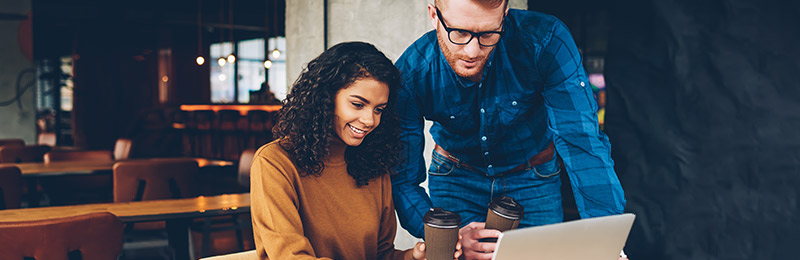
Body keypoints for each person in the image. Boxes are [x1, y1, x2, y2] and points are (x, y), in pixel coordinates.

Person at [391, 0, 627, 259]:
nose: (472, 51)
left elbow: (581, 141)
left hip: (533, 179)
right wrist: (451, 237)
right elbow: (402, 179)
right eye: (459, 32)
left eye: (488, 34)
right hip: (455, 177)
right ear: (434, 16)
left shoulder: (546, 41)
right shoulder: (412, 72)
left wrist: (607, 243)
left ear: (504, 15)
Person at [250, 41, 460, 260]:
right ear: (326, 98)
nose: (370, 120)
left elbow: (381, 255)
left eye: (379, 109)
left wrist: (412, 257)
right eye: (358, 104)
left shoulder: (374, 167)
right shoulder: (275, 163)